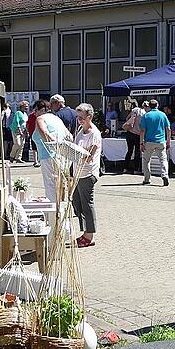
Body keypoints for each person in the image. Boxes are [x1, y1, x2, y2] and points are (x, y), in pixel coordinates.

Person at [73, 103, 102, 248]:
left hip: (88, 173)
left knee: (86, 204)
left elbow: (90, 156)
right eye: (78, 117)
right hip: (78, 172)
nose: (79, 120)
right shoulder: (80, 130)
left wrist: (74, 153)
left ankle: (89, 235)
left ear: (89, 117)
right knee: (76, 203)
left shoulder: (94, 134)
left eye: (82, 117)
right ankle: (85, 232)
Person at [32, 101, 71, 202]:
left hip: (48, 156)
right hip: (61, 156)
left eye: (36, 110)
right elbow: (69, 136)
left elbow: (45, 134)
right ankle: (60, 209)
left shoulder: (40, 119)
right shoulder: (57, 119)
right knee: (60, 185)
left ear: (43, 109)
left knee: (51, 186)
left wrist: (54, 145)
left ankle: (54, 212)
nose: (34, 113)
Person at [139, 99, 171, 186]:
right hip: (161, 141)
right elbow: (168, 129)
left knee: (146, 160)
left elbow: (142, 130)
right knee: (163, 160)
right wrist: (168, 141)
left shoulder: (146, 116)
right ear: (157, 105)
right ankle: (165, 175)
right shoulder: (162, 115)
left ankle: (147, 179)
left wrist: (141, 143)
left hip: (149, 141)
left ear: (149, 106)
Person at [122, 100, 146, 174]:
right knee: (137, 152)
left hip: (130, 133)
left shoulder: (134, 110)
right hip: (138, 135)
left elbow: (127, 118)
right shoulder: (145, 113)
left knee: (129, 151)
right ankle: (136, 169)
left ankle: (125, 168)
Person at [27, 100, 45, 167]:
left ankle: (37, 161)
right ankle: (37, 161)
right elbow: (28, 124)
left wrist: (28, 131)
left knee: (35, 147)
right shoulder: (36, 116)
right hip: (35, 133)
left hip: (34, 133)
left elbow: (27, 124)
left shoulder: (32, 115)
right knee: (36, 147)